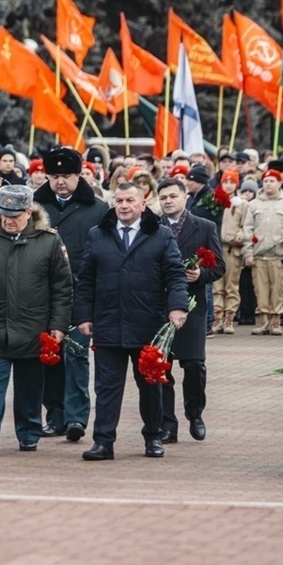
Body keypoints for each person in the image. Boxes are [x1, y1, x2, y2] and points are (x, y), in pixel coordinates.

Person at [0, 185, 74, 454]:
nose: (9, 220)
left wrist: (58, 326)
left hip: (35, 327)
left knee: (29, 385)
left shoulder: (49, 240)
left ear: (28, 213)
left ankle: (29, 433)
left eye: (15, 215)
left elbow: (62, 288)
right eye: (5, 214)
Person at [74, 182, 189, 460]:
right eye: (119, 200)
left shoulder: (160, 235)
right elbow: (86, 278)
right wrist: (84, 315)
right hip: (108, 322)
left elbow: (175, 274)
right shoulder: (98, 234)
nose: (124, 205)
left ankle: (153, 437)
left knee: (150, 386)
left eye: (130, 200)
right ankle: (103, 442)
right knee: (106, 388)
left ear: (143, 204)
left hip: (146, 323)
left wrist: (177, 307)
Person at [33, 146, 109, 443]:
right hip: (44, 293)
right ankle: (55, 416)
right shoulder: (35, 205)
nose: (60, 182)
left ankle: (77, 417)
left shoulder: (98, 208)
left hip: (82, 292)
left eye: (66, 175)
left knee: (76, 355)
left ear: (79, 175)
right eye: (54, 176)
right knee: (49, 355)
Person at [155, 178, 225, 443]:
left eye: (173, 196)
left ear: (185, 198)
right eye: (163, 197)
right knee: (161, 366)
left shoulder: (204, 226)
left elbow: (219, 266)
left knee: (194, 364)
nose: (168, 201)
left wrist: (200, 274)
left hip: (192, 305)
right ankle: (167, 423)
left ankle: (195, 413)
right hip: (159, 305)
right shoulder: (153, 226)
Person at [242, 169, 283, 335]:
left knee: (277, 289)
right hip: (259, 255)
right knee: (261, 289)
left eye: (272, 181)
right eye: (265, 181)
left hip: (279, 254)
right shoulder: (253, 205)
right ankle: (263, 321)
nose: (268, 184)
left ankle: (276, 321)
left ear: (280, 183)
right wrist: (248, 253)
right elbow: (247, 230)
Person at [212, 170, 245, 334]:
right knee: (217, 285)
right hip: (217, 247)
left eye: (232, 182)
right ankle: (217, 318)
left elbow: (246, 225)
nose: (229, 185)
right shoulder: (215, 201)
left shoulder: (242, 204)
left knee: (232, 285)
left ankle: (229, 318)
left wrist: (241, 235)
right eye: (226, 182)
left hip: (233, 249)